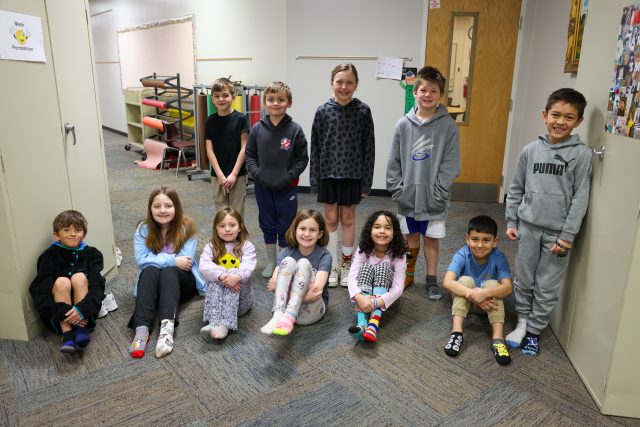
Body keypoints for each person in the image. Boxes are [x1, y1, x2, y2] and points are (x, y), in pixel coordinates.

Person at [504, 88, 591, 356]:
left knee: (546, 285)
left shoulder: (581, 154)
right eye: (555, 114)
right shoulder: (530, 150)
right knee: (524, 279)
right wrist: (511, 220)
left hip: (557, 234)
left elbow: (580, 199)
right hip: (528, 227)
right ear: (545, 115)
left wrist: (567, 235)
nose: (560, 122)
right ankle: (521, 322)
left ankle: (534, 331)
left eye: (569, 117)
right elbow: (516, 186)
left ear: (578, 121)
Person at [386, 65, 461, 301]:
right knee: (410, 237)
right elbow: (394, 161)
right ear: (415, 92)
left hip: (434, 195)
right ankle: (408, 274)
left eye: (434, 91)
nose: (428, 95)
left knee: (431, 237)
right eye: (423, 90)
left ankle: (430, 279)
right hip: (408, 194)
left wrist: (439, 192)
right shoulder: (403, 124)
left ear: (440, 95)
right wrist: (398, 191)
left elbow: (451, 163)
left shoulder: (447, 125)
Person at [310, 63, 375, 287]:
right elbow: (315, 148)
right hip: (328, 175)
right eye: (339, 82)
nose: (344, 86)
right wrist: (314, 181)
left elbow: (370, 149)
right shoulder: (323, 111)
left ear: (356, 85)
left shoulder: (363, 111)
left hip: (353, 176)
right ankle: (332, 266)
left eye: (349, 82)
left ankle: (347, 266)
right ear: (331, 83)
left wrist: (366, 183)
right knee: (329, 220)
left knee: (348, 220)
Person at [128, 187, 205, 359]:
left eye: (168, 206)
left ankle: (166, 329)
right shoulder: (143, 229)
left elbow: (185, 262)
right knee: (149, 271)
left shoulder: (187, 227)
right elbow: (142, 260)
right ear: (150, 209)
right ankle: (141, 330)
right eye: (157, 206)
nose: (163, 210)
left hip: (182, 282)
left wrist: (161, 260)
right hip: (154, 283)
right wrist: (172, 259)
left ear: (176, 207)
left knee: (168, 271)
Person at [245, 81, 309, 279]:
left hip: (286, 188)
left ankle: (283, 261)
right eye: (271, 100)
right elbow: (250, 156)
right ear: (265, 103)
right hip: (263, 187)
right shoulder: (257, 129)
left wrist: (288, 176)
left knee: (286, 224)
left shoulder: (295, 130)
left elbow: (302, 159)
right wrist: (258, 174)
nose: (275, 103)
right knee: (267, 223)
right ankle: (272, 261)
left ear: (289, 103)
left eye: (280, 100)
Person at [29, 210, 105, 353]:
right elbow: (39, 290)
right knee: (62, 282)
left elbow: (97, 286)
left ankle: (81, 329)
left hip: (85, 313)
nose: (73, 234)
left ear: (84, 234)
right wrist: (66, 312)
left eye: (78, 230)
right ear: (56, 235)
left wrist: (82, 309)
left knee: (79, 277)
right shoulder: (49, 256)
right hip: (58, 315)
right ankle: (67, 334)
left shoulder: (92, 254)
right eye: (66, 230)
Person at [442, 215, 513, 365]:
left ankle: (498, 339)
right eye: (475, 239)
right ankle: (456, 333)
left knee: (493, 284)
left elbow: (508, 288)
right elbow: (447, 282)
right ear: (467, 239)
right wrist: (473, 294)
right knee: (465, 281)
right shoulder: (463, 253)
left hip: (487, 305)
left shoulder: (499, 257)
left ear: (495, 242)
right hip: (466, 303)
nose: (480, 245)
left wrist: (485, 293)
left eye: (486, 240)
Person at [260, 209, 332, 336]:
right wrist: (300, 289)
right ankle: (278, 314)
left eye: (312, 230)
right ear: (295, 230)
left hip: (311, 310)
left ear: (320, 234)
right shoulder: (285, 253)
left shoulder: (324, 256)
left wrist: (286, 286)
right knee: (289, 261)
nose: (307, 234)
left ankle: (289, 315)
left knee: (303, 263)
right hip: (284, 309)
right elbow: (273, 284)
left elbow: (316, 290)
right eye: (302, 228)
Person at [346, 210, 407, 343]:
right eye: (377, 227)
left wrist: (375, 302)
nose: (382, 231)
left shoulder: (399, 253)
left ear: (395, 232)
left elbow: (398, 287)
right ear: (370, 230)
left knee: (383, 267)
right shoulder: (363, 248)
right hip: (364, 293)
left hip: (385, 296)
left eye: (388, 228)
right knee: (366, 267)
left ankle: (373, 324)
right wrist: (359, 298)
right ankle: (362, 324)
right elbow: (351, 276)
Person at [199, 207, 256, 340]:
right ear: (216, 229)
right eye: (222, 226)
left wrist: (236, 277)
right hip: (217, 301)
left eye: (232, 225)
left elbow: (248, 267)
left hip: (241, 302)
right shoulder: (211, 246)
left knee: (233, 271)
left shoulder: (247, 246)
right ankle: (214, 321)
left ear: (240, 227)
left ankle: (224, 324)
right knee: (216, 274)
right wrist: (223, 277)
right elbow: (203, 265)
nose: (227, 229)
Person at [204, 77, 250, 216]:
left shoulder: (241, 119)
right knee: (221, 213)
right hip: (217, 174)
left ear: (233, 97)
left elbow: (244, 148)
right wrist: (220, 175)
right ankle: (222, 239)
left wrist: (233, 174)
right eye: (217, 96)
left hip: (237, 174)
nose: (221, 99)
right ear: (212, 99)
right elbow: (209, 149)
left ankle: (239, 238)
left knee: (237, 212)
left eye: (225, 95)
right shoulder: (210, 121)